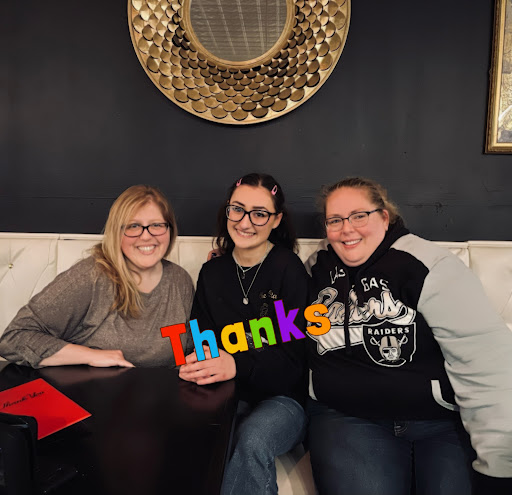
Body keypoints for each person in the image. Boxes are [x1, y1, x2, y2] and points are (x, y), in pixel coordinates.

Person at [305, 177, 512, 495]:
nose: (346, 229)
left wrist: (499, 466)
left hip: (439, 422)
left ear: (384, 216)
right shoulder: (316, 268)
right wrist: (232, 344)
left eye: (359, 216)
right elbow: (282, 324)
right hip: (348, 417)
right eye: (335, 220)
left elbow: (486, 366)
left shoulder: (432, 266)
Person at [179, 173, 308, 495]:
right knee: (195, 435)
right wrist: (199, 363)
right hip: (225, 394)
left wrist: (237, 364)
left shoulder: (289, 269)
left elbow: (295, 361)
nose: (245, 222)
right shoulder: (212, 272)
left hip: (283, 399)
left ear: (276, 220)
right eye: (237, 209)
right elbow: (203, 338)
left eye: (259, 213)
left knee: (252, 439)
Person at [0, 185, 194, 368]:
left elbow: (186, 350)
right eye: (133, 226)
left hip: (160, 390)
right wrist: (91, 356)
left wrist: (202, 360)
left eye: (157, 225)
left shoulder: (180, 280)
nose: (146, 236)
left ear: (170, 230)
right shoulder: (91, 276)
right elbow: (14, 339)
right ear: (116, 232)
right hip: (90, 391)